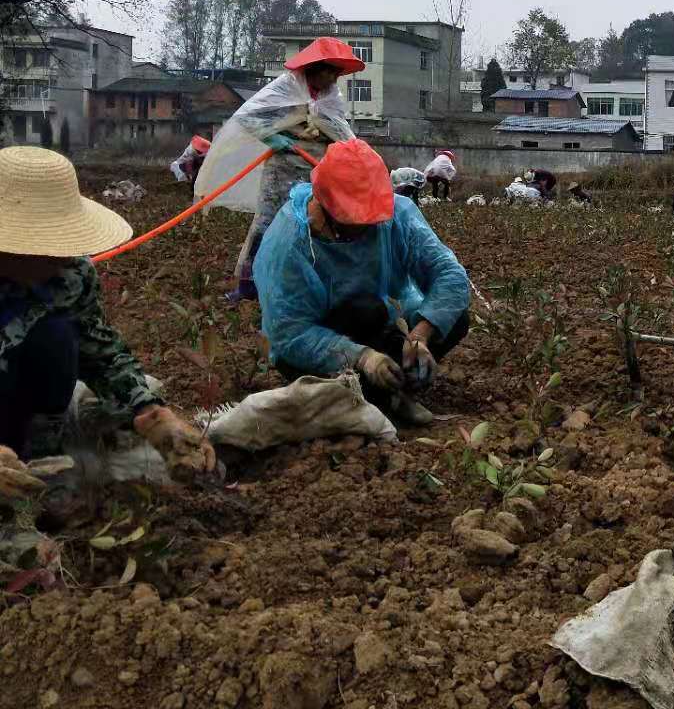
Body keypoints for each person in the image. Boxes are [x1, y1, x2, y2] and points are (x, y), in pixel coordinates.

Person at [0, 147, 217, 493]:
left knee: (57, 338)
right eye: (41, 244)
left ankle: (38, 455)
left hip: (24, 402)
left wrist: (152, 414)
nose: (57, 256)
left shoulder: (70, 273)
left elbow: (99, 351)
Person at [254, 139, 472, 428]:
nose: (367, 227)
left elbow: (451, 276)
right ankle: (370, 395)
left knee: (451, 318)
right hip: (319, 344)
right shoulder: (291, 242)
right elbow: (289, 332)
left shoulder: (397, 214)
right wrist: (363, 357)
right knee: (365, 311)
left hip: (378, 324)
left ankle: (389, 387)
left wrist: (420, 334)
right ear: (327, 207)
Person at [195, 37, 363, 303]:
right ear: (313, 68)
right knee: (268, 223)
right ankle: (249, 287)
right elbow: (249, 117)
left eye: (336, 72)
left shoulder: (332, 98)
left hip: (316, 169)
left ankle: (306, 287)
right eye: (328, 70)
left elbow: (342, 132)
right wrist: (274, 139)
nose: (332, 78)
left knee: (313, 225)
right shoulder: (286, 87)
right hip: (282, 165)